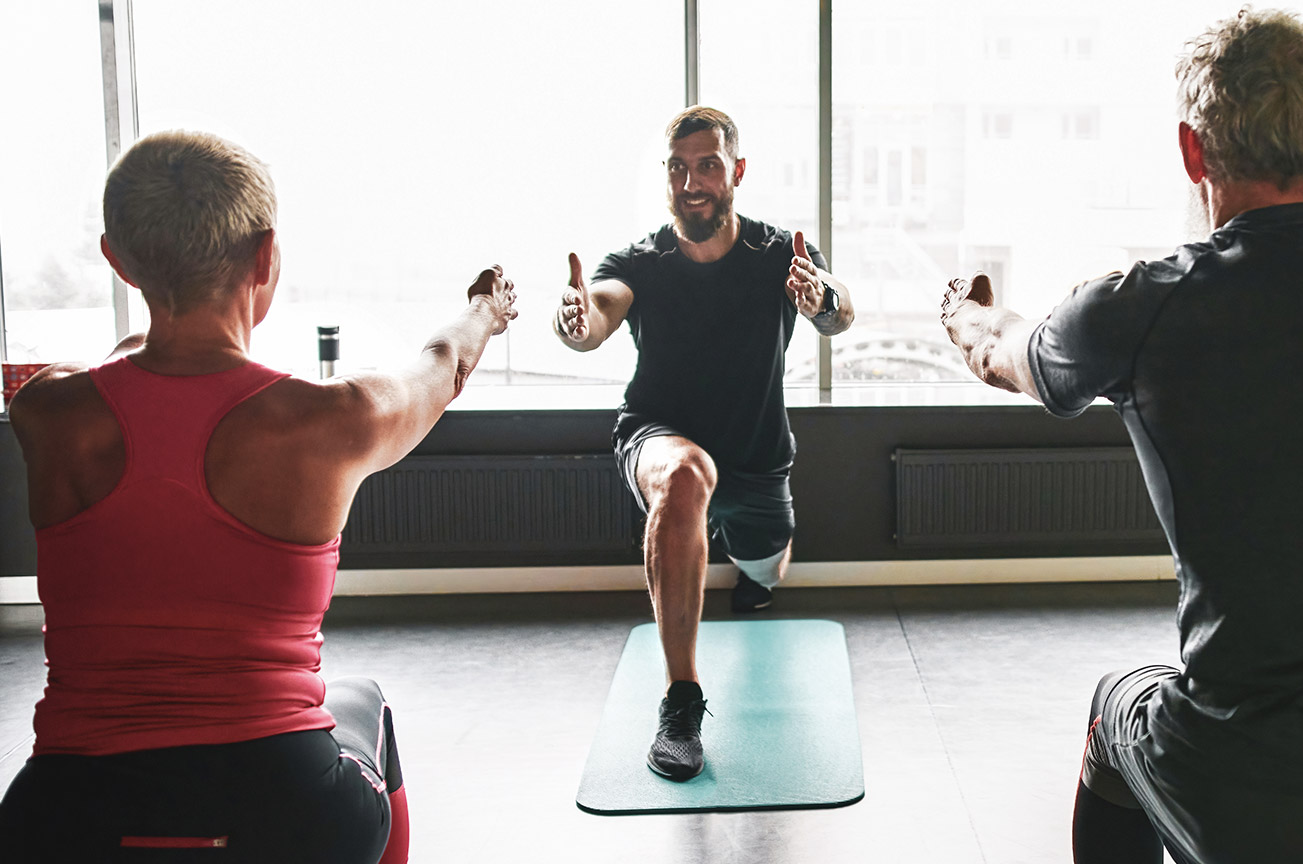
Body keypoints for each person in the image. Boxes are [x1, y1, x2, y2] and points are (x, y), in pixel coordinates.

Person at [941, 9, 1303, 864]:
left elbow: (1002, 352)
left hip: (1266, 800)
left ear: (1193, 152)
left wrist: (966, 312)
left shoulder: (1143, 305)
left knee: (1118, 706)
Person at [0, 130, 517, 862]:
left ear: (116, 260)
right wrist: (484, 310)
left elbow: (125, 367)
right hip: (287, 811)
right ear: (265, 255)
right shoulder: (334, 417)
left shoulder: (46, 414)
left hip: (63, 816)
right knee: (363, 701)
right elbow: (444, 363)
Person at [554, 106, 855, 781]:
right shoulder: (640, 260)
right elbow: (596, 312)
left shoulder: (782, 253)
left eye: (708, 165)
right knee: (686, 476)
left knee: (765, 571)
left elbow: (839, 311)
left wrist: (822, 303)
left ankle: (750, 571)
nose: (692, 181)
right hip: (661, 437)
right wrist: (575, 321)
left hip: (755, 460)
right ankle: (682, 697)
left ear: (736, 172)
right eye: (678, 167)